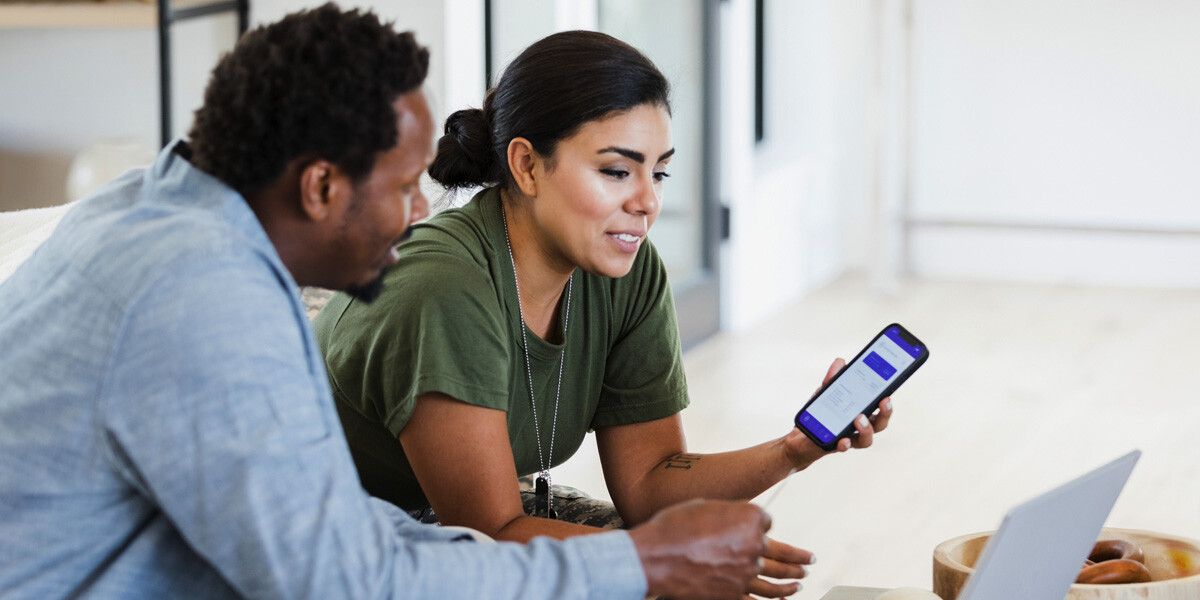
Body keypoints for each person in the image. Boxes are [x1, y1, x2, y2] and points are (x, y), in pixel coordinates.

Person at [0, 6, 797, 599]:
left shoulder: (173, 205)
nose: (420, 209)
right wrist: (642, 561)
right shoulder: (202, 297)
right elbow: (343, 576)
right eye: (402, 184)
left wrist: (640, 548)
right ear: (320, 187)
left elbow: (336, 529)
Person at [315, 29, 884, 599]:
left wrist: (793, 450)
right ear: (527, 166)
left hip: (465, 521)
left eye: (657, 172)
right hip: (331, 534)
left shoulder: (624, 270)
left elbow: (648, 484)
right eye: (617, 171)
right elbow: (487, 535)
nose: (647, 202)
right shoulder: (444, 290)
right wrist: (669, 560)